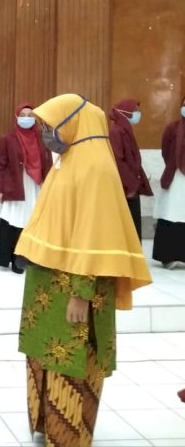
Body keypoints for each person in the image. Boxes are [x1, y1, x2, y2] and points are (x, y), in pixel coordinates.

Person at [14, 94, 152, 447]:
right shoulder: (69, 160)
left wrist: (82, 293)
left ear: (73, 123)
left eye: (51, 126)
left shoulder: (95, 169)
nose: (47, 133)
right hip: (48, 288)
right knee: (45, 358)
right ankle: (47, 426)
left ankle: (69, 435)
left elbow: (95, 237)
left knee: (72, 363)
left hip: (73, 291)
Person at [0, 103, 51, 273]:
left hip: (36, 185)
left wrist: (48, 183)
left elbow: (47, 161)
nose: (27, 118)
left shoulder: (42, 138)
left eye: (30, 115)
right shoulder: (8, 138)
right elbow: (1, 165)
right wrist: (0, 189)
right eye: (23, 115)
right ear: (16, 117)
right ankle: (15, 259)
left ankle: (30, 257)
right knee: (15, 221)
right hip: (16, 184)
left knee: (32, 221)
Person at [108, 99, 152, 241]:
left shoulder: (125, 130)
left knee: (133, 225)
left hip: (131, 185)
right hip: (126, 188)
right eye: (135, 111)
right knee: (128, 226)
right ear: (125, 113)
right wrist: (131, 184)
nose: (138, 114)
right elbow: (118, 161)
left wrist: (140, 178)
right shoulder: (116, 132)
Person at [152, 96, 185, 269]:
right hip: (174, 176)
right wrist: (175, 164)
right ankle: (168, 256)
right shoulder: (172, 128)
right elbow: (165, 150)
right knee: (170, 215)